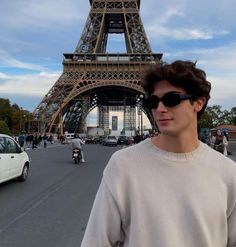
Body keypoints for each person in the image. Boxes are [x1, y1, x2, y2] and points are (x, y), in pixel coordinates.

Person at [81, 60, 236, 247]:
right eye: (153, 102)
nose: (160, 109)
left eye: (172, 99)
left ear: (198, 103)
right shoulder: (123, 165)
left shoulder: (229, 173)